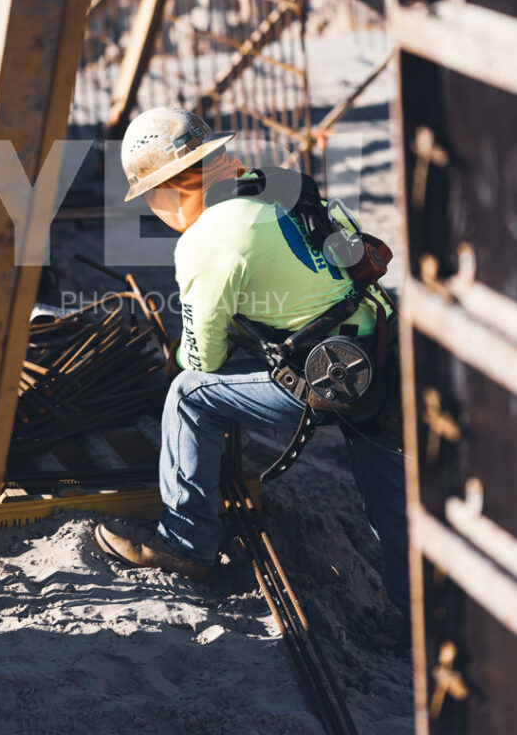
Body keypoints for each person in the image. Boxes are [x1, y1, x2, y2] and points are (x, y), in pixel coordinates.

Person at [95, 106, 409, 615]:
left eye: (153, 196)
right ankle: (424, 632)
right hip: (382, 351)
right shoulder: (281, 184)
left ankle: (184, 544)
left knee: (190, 396)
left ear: (171, 186)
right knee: (393, 512)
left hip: (329, 374)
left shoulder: (205, 241)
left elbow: (203, 358)